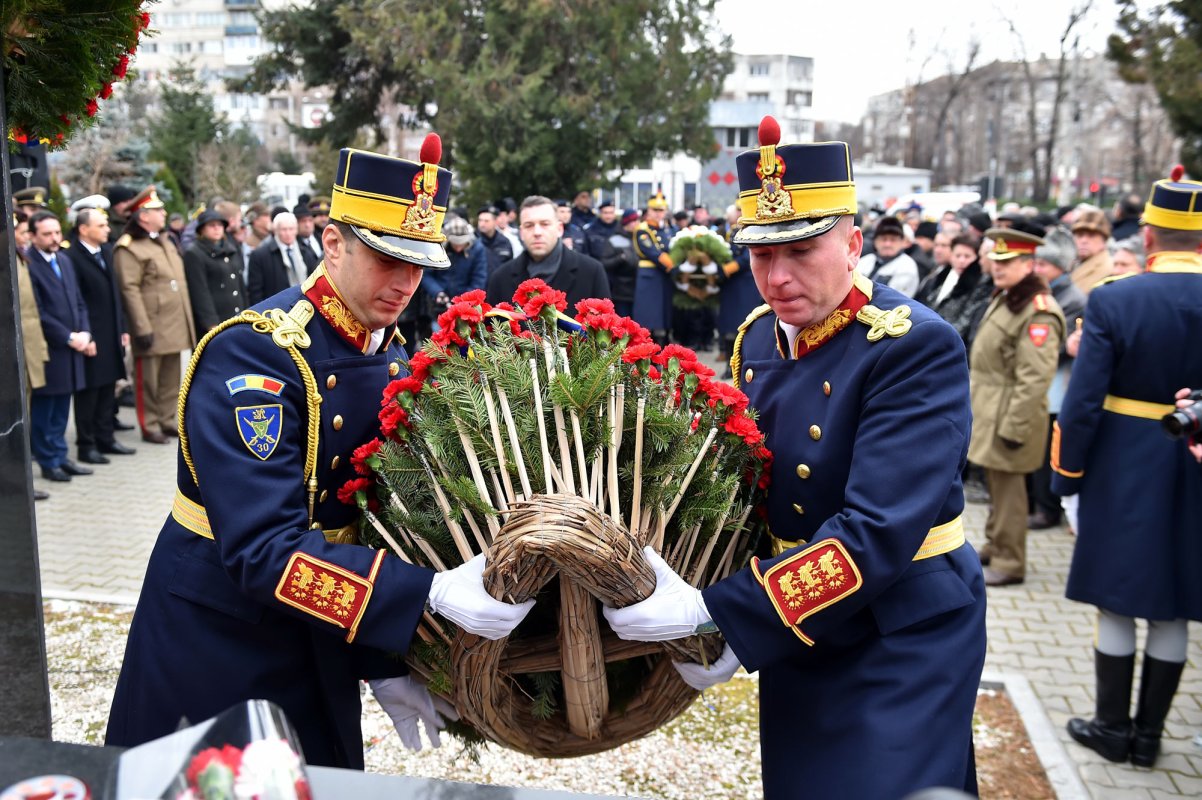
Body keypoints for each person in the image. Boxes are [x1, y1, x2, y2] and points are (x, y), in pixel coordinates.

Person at [105, 139, 534, 768]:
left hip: (320, 625)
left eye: (419, 264)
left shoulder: (382, 349)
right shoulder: (257, 353)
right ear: (333, 243)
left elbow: (363, 521)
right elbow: (260, 551)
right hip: (221, 639)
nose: (406, 283)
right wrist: (423, 597)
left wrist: (382, 659)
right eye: (388, 259)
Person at [604, 117, 986, 797]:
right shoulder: (757, 337)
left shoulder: (910, 346)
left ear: (853, 243)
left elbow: (875, 536)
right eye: (759, 254)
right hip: (800, 621)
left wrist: (717, 610)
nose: (775, 277)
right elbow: (756, 486)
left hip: (898, 631)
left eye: (802, 250)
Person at [1051, 166, 1202, 768]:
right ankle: (1151, 735)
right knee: (1176, 600)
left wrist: (1069, 480)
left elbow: (1082, 404)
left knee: (1118, 599)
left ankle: (1112, 728)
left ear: (1148, 237)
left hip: (1123, 461)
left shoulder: (1115, 299)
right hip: (1194, 461)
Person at [969, 227, 1065, 586]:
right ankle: (996, 544)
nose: (997, 266)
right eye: (996, 259)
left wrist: (1014, 427)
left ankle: (1010, 561)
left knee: (1010, 493)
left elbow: (1035, 378)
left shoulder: (1037, 310)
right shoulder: (1010, 297)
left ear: (1029, 264)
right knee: (998, 487)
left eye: (1007, 261)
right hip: (993, 407)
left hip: (1010, 413)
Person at [113, 186, 197, 444]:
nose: (163, 213)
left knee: (172, 376)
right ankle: (149, 425)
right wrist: (141, 327)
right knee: (148, 379)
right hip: (152, 322)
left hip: (174, 322)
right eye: (157, 210)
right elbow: (129, 290)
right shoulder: (129, 247)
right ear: (142, 216)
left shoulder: (165, 241)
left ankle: (166, 419)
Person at [25, 211, 95, 482]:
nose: (55, 238)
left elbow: (78, 301)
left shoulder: (64, 260)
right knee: (46, 408)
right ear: (33, 236)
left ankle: (61, 455)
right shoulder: (29, 264)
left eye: (56, 232)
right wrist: (68, 336)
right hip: (50, 349)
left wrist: (86, 331)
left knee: (63, 407)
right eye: (47, 234)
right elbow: (38, 312)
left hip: (73, 345)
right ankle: (47, 460)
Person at [1026, 227, 1085, 530]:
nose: (1037, 269)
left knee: (1047, 450)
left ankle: (1047, 509)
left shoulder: (1071, 298)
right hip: (1045, 384)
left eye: (1044, 265)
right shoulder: (1048, 292)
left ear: (1060, 267)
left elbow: (1055, 343)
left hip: (1056, 387)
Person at [69, 207, 135, 464]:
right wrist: (86, 335)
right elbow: (76, 301)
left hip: (111, 333)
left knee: (108, 387)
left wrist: (123, 328)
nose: (108, 229)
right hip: (91, 335)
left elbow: (115, 296)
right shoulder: (72, 257)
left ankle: (106, 438)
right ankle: (87, 444)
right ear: (84, 229)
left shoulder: (106, 252)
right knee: (90, 393)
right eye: (101, 225)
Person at [485, 195, 609, 309]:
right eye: (529, 225)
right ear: (521, 233)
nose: (537, 232)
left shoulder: (591, 272)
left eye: (545, 224)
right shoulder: (501, 279)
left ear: (559, 229)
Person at [14, 212, 51, 500]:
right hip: (13, 352)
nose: (25, 236)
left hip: (26, 348)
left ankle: (18, 481)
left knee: (22, 415)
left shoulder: (18, 258)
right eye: (21, 231)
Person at [914, 233, 993, 350]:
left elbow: (964, 322)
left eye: (967, 256)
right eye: (958, 255)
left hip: (946, 344)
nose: (962, 260)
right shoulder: (941, 275)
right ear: (951, 256)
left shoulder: (980, 285)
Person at [184, 209, 247, 337]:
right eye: (212, 225)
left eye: (220, 225)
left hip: (237, 315)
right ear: (202, 229)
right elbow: (200, 292)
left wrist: (247, 312)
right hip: (216, 319)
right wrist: (211, 323)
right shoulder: (194, 253)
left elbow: (240, 285)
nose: (217, 229)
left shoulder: (231, 248)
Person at [630, 192, 676, 344]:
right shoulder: (642, 229)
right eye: (655, 210)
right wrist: (673, 266)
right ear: (648, 211)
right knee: (648, 318)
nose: (658, 214)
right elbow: (653, 253)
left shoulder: (668, 230)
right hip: (649, 276)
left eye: (661, 211)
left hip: (664, 277)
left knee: (663, 317)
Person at [247, 211, 319, 304]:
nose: (288, 233)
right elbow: (255, 293)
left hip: (304, 307)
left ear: (296, 230)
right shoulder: (260, 255)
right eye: (284, 229)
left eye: (291, 229)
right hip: (274, 309)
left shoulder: (306, 252)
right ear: (276, 231)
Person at [422, 215, 488, 315]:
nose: (458, 248)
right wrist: (437, 292)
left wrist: (462, 302)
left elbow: (479, 278)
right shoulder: (438, 248)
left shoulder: (477, 249)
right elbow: (427, 274)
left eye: (462, 244)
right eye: (455, 244)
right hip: (440, 304)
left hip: (468, 305)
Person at [586, 205, 638, 318]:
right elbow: (605, 263)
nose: (635, 224)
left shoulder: (639, 238)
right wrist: (620, 258)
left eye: (636, 220)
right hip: (621, 291)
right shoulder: (614, 239)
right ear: (626, 223)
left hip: (638, 289)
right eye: (632, 221)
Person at [857, 215, 921, 297]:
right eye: (883, 239)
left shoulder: (907, 267)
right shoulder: (865, 260)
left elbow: (896, 300)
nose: (887, 244)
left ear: (902, 242)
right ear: (875, 241)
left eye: (893, 239)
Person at [1070, 209, 1114, 294]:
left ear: (1104, 241)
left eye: (1091, 235)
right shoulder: (1071, 264)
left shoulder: (1109, 269)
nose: (1084, 240)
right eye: (1080, 235)